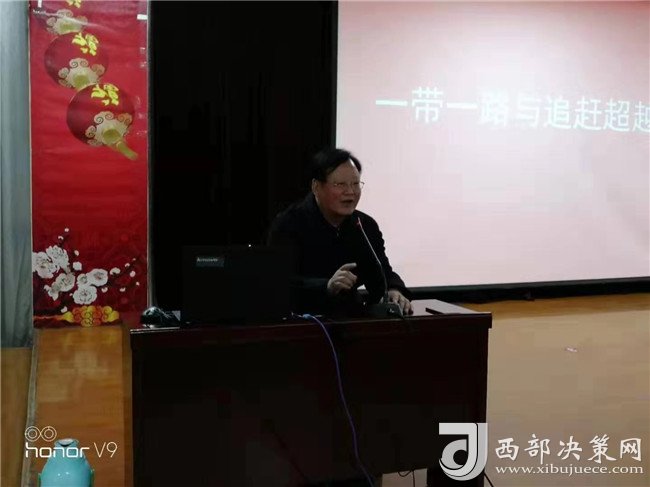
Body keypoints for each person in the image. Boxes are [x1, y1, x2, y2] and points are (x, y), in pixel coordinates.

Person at [267, 148, 412, 316]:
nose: (350, 192)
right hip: (303, 320)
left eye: (355, 184)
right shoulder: (289, 224)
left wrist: (393, 289)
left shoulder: (364, 225)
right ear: (316, 187)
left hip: (352, 318)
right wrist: (327, 286)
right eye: (340, 184)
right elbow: (279, 283)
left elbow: (381, 273)